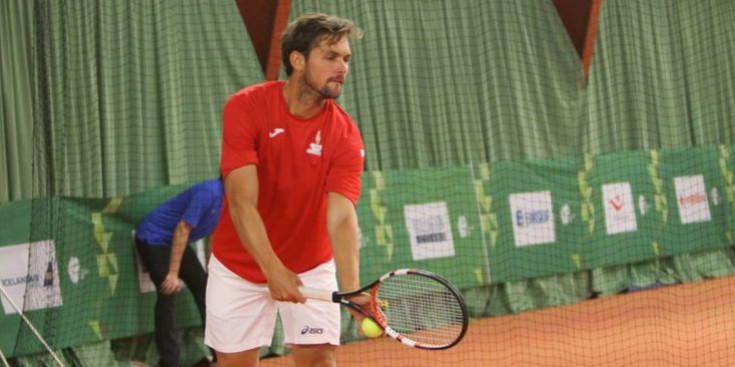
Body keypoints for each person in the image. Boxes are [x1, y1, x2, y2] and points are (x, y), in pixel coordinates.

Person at [204, 13, 366, 367]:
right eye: (331, 57)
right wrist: (272, 269)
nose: (342, 67)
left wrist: (351, 290)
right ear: (297, 60)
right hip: (239, 267)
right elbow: (242, 202)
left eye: (346, 58)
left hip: (310, 263)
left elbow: (340, 217)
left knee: (319, 361)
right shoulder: (246, 107)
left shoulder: (345, 134)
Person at [135, 178, 224, 367]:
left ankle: (220, 357)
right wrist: (173, 274)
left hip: (173, 243)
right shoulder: (210, 192)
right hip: (153, 239)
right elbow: (182, 229)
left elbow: (213, 235)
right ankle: (169, 363)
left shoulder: (232, 199)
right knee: (168, 290)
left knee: (205, 288)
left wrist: (211, 270)